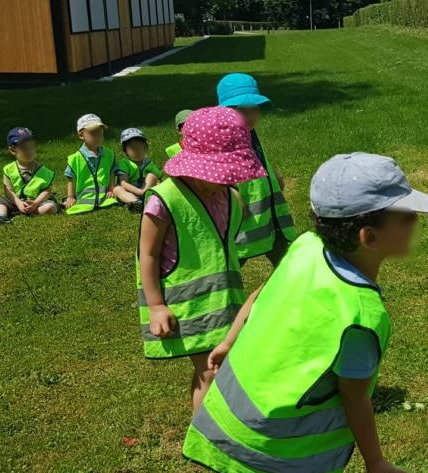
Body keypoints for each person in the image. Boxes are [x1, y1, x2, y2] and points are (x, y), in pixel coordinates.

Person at [179, 152, 428, 473]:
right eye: (406, 217)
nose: (414, 224)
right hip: (286, 433)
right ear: (369, 236)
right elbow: (355, 399)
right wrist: (375, 463)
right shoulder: (362, 314)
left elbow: (259, 297)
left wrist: (228, 341)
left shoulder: (303, 246)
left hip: (237, 415)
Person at [137, 107, 261, 410]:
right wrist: (155, 306)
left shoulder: (232, 198)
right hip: (188, 307)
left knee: (218, 368)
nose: (223, 178)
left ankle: (211, 432)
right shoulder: (163, 200)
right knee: (211, 371)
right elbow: (148, 253)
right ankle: (208, 438)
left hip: (227, 303)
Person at [217, 73, 296, 266]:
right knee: (231, 265)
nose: (250, 116)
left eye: (254, 109)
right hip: (242, 218)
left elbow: (258, 156)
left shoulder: (250, 132)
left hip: (269, 215)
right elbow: (216, 170)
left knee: (287, 264)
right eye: (241, 110)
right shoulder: (222, 138)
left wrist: (273, 172)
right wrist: (230, 192)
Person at [0, 127, 59, 225]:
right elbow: (8, 190)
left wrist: (35, 203)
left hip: (37, 202)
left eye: (32, 146)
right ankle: (1, 217)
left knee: (50, 207)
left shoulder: (44, 171)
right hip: (15, 202)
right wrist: (18, 203)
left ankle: (32, 212)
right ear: (12, 150)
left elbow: (47, 190)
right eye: (24, 148)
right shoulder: (9, 169)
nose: (29, 150)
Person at [64, 114, 120, 214]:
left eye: (100, 133)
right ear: (81, 135)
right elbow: (71, 178)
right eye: (93, 133)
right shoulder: (75, 158)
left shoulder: (109, 154)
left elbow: (112, 172)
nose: (97, 136)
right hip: (84, 200)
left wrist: (111, 189)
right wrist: (70, 197)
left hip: (105, 198)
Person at [114, 127, 164, 211]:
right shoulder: (125, 163)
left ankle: (147, 198)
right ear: (125, 150)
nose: (137, 150)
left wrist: (156, 182)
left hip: (146, 189)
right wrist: (140, 192)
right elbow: (123, 183)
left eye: (139, 147)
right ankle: (135, 202)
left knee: (152, 176)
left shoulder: (148, 162)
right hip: (130, 191)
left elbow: (158, 176)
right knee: (117, 189)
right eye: (132, 148)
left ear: (145, 147)